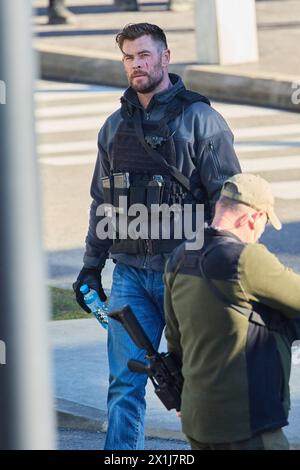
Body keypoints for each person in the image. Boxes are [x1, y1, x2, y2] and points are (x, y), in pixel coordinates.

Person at [73, 22, 241, 450]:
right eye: (129, 57)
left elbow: (229, 202)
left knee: (194, 386)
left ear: (165, 58)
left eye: (145, 55)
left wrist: (225, 270)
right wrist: (91, 268)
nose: (137, 65)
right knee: (124, 385)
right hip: (129, 274)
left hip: (185, 274)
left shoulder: (202, 119)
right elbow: (103, 204)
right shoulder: (113, 127)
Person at [164, 173, 300, 450]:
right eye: (264, 223)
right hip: (245, 422)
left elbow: (174, 337)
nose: (261, 233)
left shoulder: (180, 257)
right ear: (253, 217)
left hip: (198, 418)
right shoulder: (246, 258)